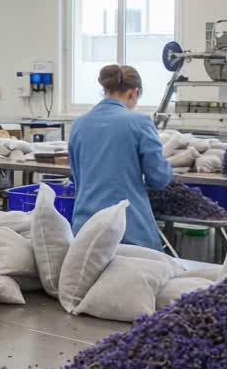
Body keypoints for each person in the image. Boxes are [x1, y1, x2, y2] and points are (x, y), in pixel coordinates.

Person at [68, 64, 172, 249]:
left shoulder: (79, 124)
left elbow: (77, 178)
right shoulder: (139, 122)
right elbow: (158, 178)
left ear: (105, 89)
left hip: (85, 228)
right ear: (133, 92)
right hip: (129, 230)